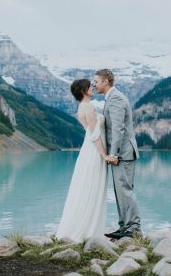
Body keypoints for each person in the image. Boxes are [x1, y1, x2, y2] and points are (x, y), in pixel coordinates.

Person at [55, 79, 108, 242]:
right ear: (84, 90)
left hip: (88, 150)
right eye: (90, 86)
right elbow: (95, 134)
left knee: (86, 186)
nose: (93, 87)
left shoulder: (81, 108)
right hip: (93, 151)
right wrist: (104, 155)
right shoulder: (89, 107)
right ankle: (89, 232)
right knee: (93, 186)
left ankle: (85, 228)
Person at [93, 69, 141, 239]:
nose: (94, 84)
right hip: (121, 153)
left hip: (123, 153)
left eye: (97, 81)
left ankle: (134, 229)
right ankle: (124, 227)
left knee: (125, 190)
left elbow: (118, 128)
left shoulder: (116, 98)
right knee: (120, 191)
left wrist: (113, 154)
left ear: (106, 81)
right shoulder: (111, 98)